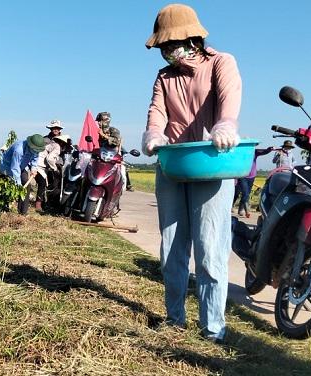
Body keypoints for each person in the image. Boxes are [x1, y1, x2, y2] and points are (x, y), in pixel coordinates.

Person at [140, 3, 242, 343]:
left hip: (211, 162)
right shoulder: (164, 77)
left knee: (210, 249)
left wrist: (225, 123)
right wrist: (153, 134)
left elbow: (229, 98)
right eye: (163, 47)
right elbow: (156, 112)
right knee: (172, 247)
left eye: (171, 44)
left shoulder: (220, 62)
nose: (167, 51)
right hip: (172, 165)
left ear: (192, 38)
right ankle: (174, 319)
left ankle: (213, 328)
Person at [0, 134, 46, 214]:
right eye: (35, 149)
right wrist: (18, 184)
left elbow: (35, 159)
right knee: (7, 188)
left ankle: (22, 212)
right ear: (30, 145)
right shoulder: (19, 150)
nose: (36, 151)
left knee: (27, 185)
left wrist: (33, 169)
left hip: (21, 167)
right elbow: (14, 168)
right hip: (7, 168)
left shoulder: (35, 149)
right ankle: (4, 210)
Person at [96, 112, 133, 191]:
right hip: (101, 158)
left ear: (106, 121)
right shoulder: (97, 131)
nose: (98, 123)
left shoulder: (113, 130)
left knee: (122, 173)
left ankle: (123, 188)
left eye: (100, 120)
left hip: (112, 159)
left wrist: (103, 135)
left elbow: (116, 141)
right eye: (98, 121)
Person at [233, 146, 274, 217]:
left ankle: (240, 209)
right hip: (242, 176)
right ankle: (246, 211)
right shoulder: (240, 153)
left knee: (247, 194)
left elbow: (264, 151)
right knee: (245, 193)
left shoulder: (254, 152)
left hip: (252, 176)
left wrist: (269, 149)